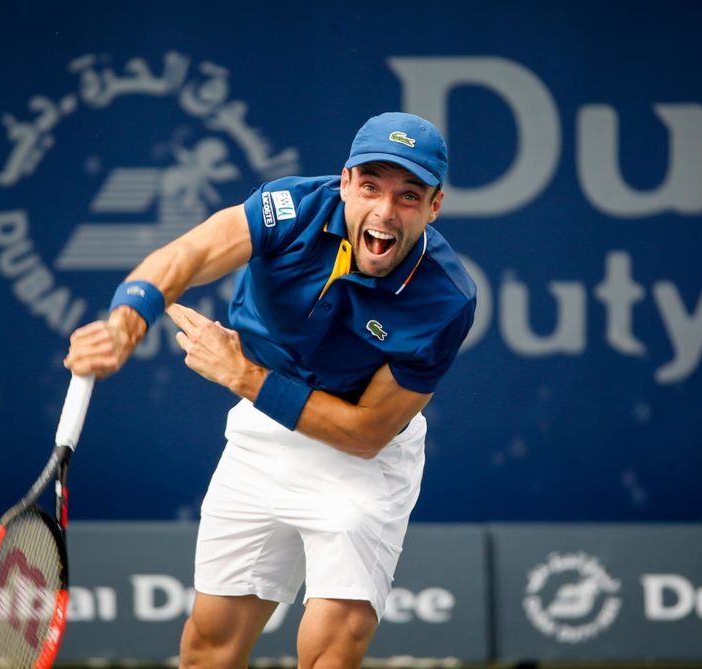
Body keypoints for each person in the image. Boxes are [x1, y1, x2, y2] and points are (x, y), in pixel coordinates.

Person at [63, 112, 476, 668]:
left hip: (363, 466)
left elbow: (366, 434)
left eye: (408, 196)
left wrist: (242, 376)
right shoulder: (292, 208)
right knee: (208, 650)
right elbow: (191, 254)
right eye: (371, 187)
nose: (384, 210)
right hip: (265, 436)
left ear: (434, 206)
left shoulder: (445, 298)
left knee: (331, 652)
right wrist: (125, 323)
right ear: (346, 182)